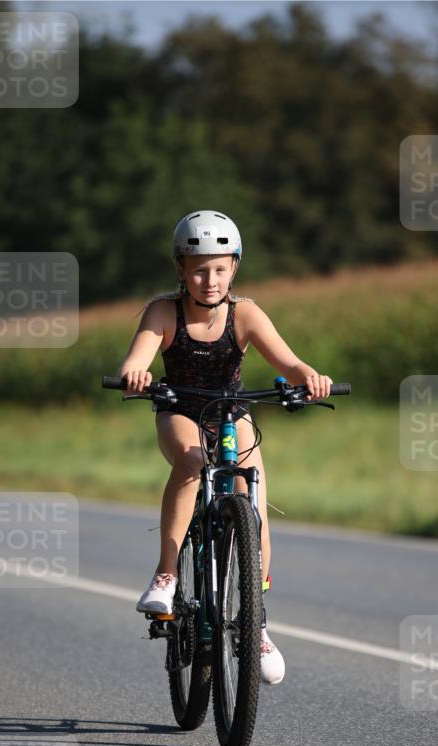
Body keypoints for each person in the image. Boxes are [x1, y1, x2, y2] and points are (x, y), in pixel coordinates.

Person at [119, 210, 332, 685]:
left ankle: (254, 620)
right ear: (180, 268)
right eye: (198, 268)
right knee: (193, 462)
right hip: (179, 411)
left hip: (232, 415)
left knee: (252, 494)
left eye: (219, 268)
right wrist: (138, 373)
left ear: (234, 266)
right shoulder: (163, 311)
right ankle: (167, 577)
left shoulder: (246, 313)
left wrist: (310, 379)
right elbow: (138, 356)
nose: (209, 279)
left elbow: (289, 362)